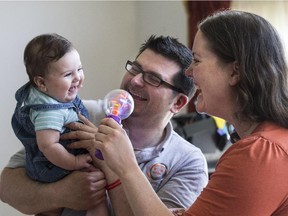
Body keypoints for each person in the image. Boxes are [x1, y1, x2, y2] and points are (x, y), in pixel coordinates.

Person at [69, 10, 288, 216]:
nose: (190, 73)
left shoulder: (261, 153)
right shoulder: (268, 146)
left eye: (197, 60)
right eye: (135, 69)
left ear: (234, 72)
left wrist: (123, 166)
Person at [0, 35, 208, 215]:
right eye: (135, 69)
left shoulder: (188, 162)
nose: (135, 81)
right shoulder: (79, 114)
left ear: (178, 103)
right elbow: (6, 186)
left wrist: (109, 167)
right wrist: (60, 194)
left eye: (153, 79)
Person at [9, 33, 108, 216]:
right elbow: (48, 145)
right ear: (42, 83)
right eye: (68, 74)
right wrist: (75, 162)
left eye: (79, 69)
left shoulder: (47, 92)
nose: (77, 77)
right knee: (96, 191)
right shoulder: (49, 112)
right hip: (53, 164)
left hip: (56, 160)